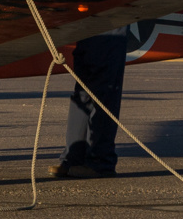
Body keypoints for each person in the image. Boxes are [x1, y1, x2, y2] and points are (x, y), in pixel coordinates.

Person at [51, 30, 127, 178]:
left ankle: (100, 161)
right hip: (87, 22)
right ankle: (73, 158)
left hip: (109, 16)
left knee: (105, 85)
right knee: (82, 89)